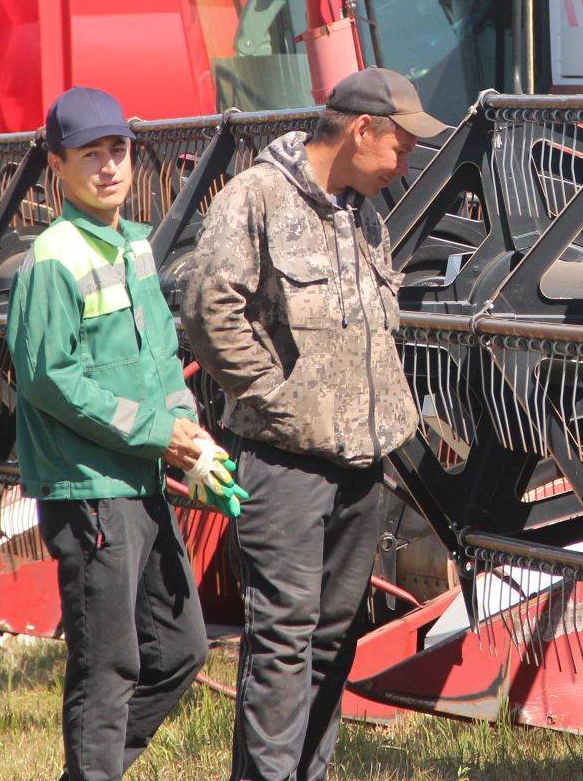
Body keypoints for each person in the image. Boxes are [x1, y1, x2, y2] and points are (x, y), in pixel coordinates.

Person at [185, 66, 445, 781]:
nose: (407, 162)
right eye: (401, 146)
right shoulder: (257, 199)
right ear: (362, 130)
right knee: (282, 639)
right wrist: (280, 401)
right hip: (285, 464)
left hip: (363, 467)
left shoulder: (361, 213)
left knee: (332, 639)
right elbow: (209, 310)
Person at [7, 85, 213, 781]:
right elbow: (49, 379)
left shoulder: (135, 246)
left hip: (143, 476)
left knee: (182, 650)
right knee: (109, 662)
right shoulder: (53, 258)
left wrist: (188, 429)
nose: (108, 167)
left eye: (118, 150)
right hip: (91, 488)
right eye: (90, 154)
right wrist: (160, 433)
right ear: (56, 165)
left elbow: (158, 355)